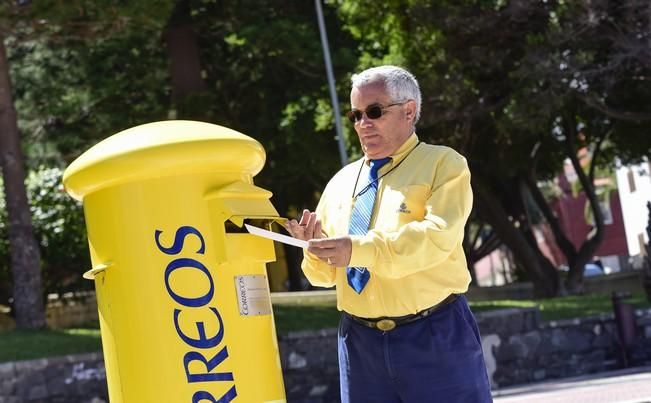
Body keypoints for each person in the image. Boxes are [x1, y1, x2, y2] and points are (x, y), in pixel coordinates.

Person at [285, 65, 492, 402]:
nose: (363, 123)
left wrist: (356, 250)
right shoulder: (339, 183)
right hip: (358, 343)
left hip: (434, 333)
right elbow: (323, 277)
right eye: (355, 115)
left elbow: (436, 238)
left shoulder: (444, 164)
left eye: (375, 111)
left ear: (409, 111)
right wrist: (312, 249)